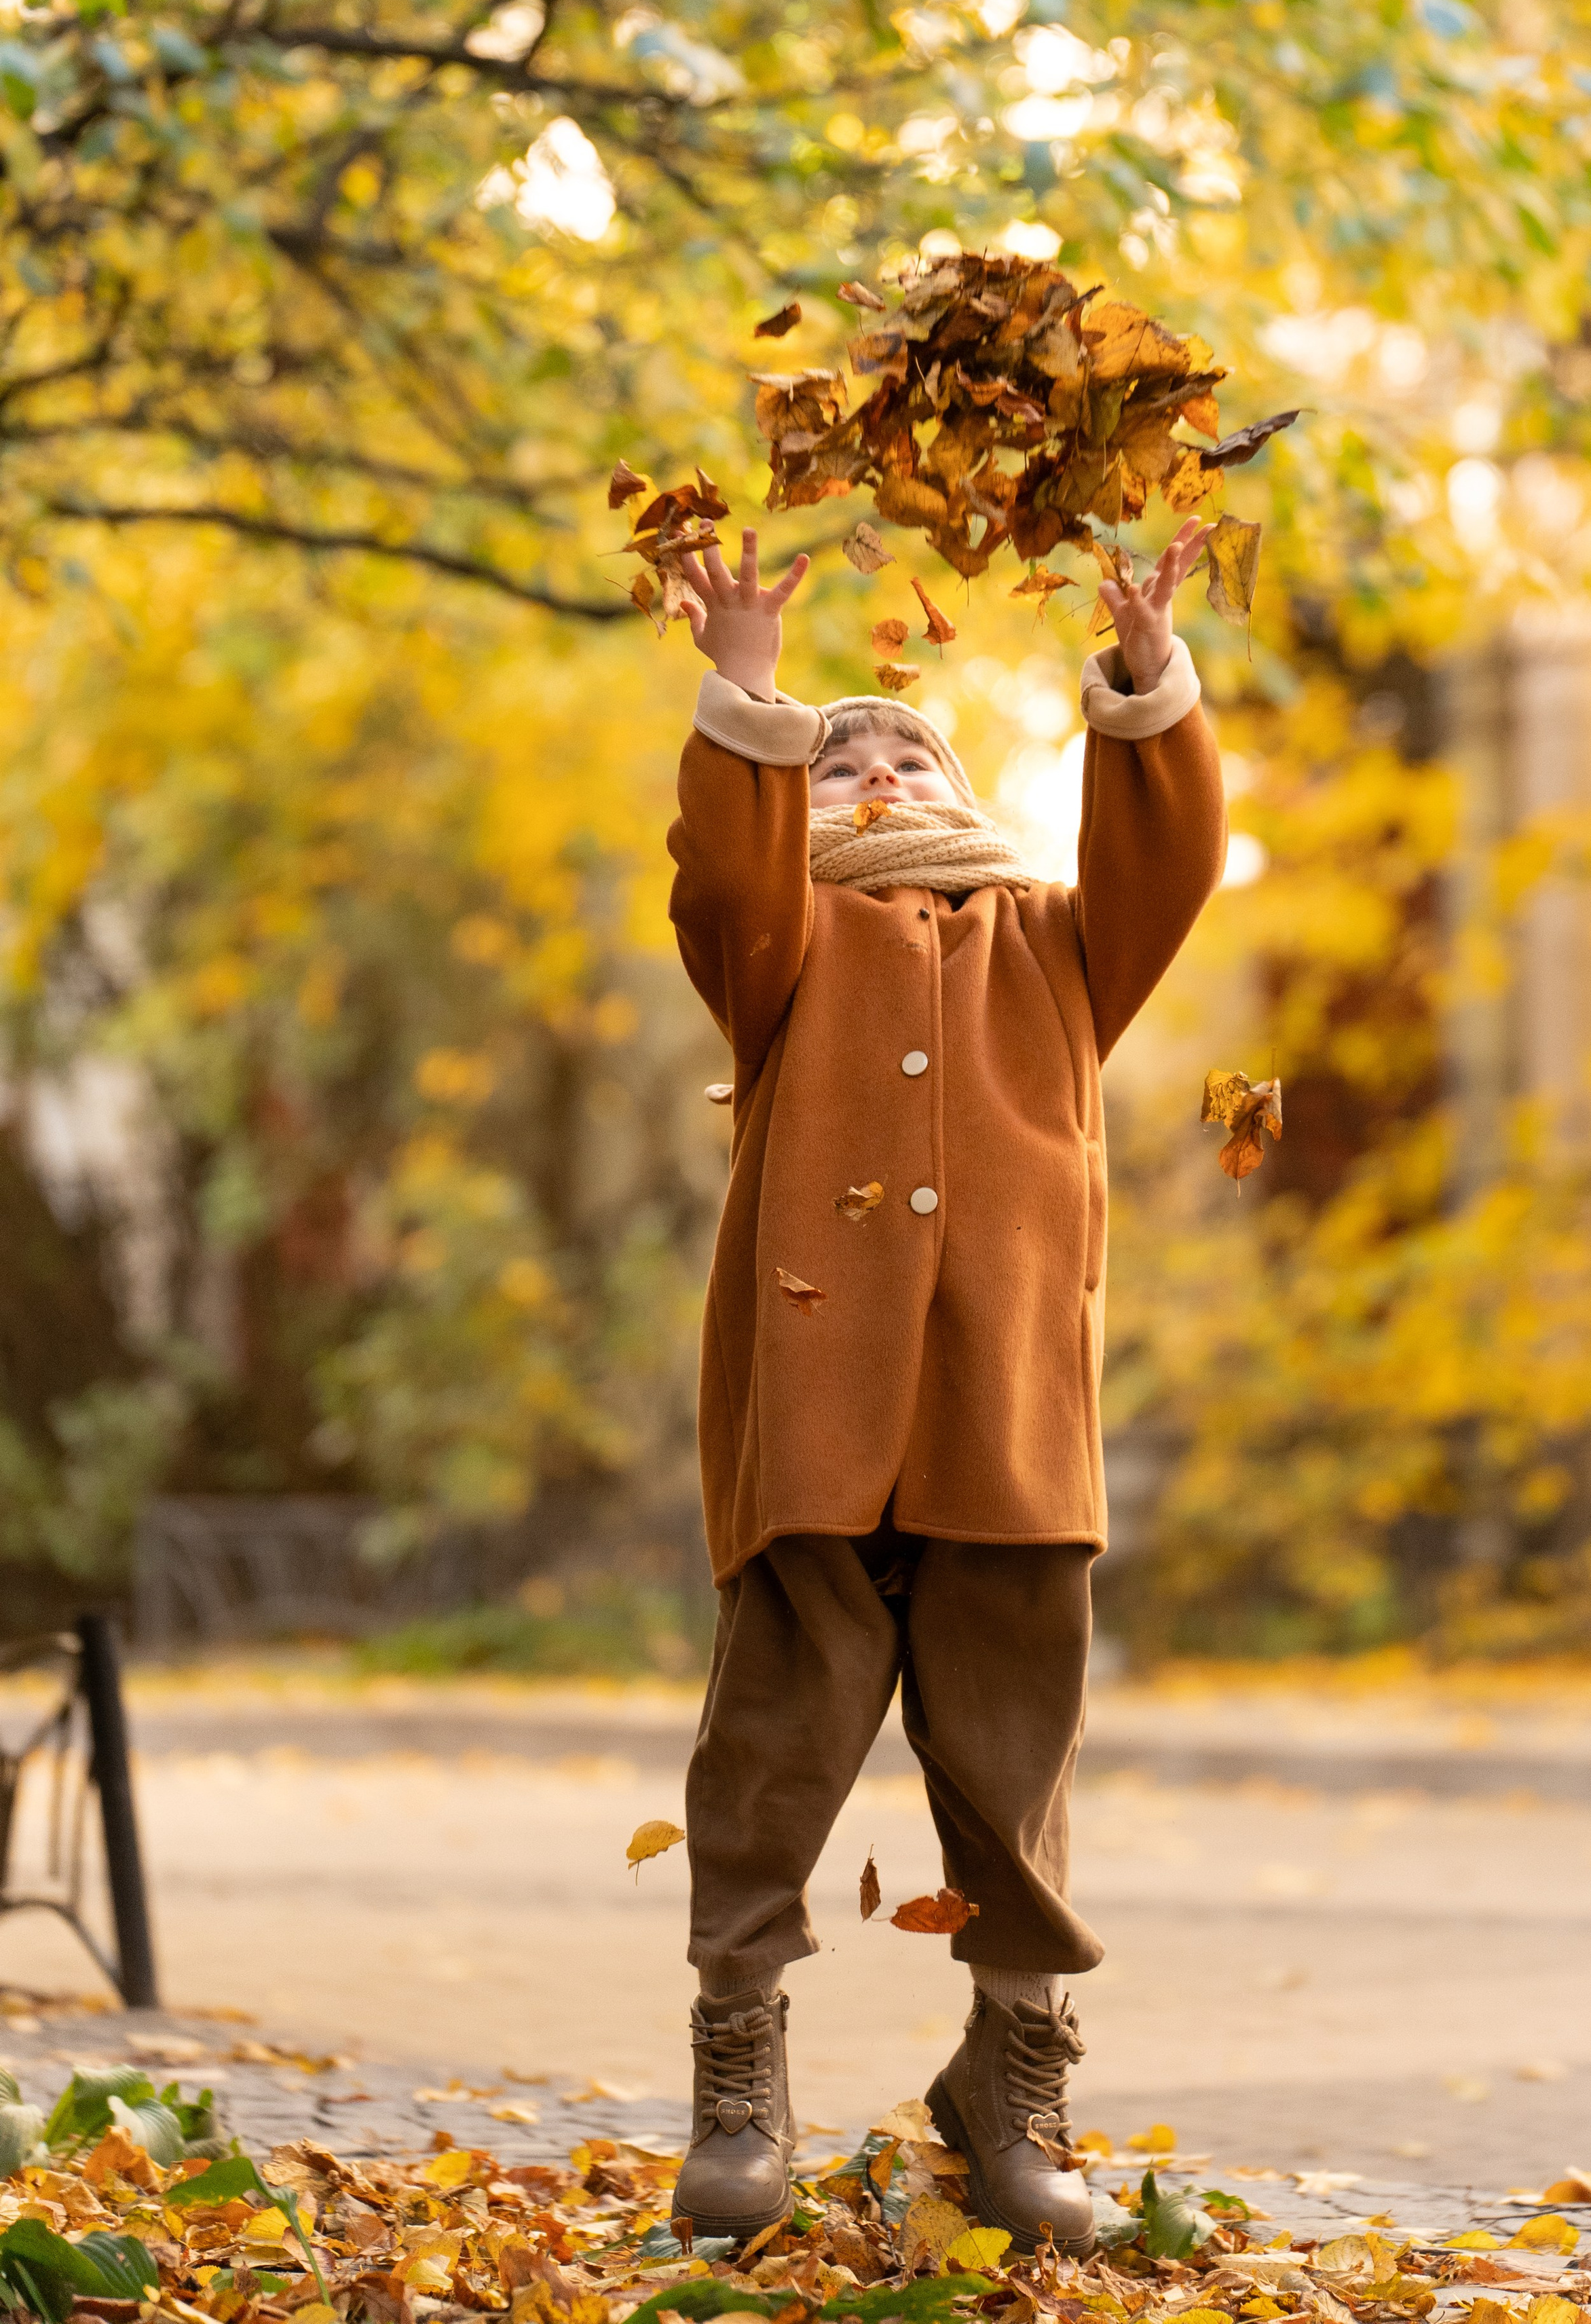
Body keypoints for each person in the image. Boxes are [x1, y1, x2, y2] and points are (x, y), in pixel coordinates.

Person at [664, 519, 1225, 2254]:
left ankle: (1012, 2070)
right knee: (776, 1740)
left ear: (965, 782)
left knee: (1011, 1748)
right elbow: (726, 881)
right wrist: (751, 691)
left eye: (905, 744)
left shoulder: (1055, 943)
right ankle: (737, 2062)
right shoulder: (780, 956)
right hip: (815, 1418)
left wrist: (1142, 680)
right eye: (835, 761)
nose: (873, 763)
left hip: (1004, 1414)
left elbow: (1166, 868)